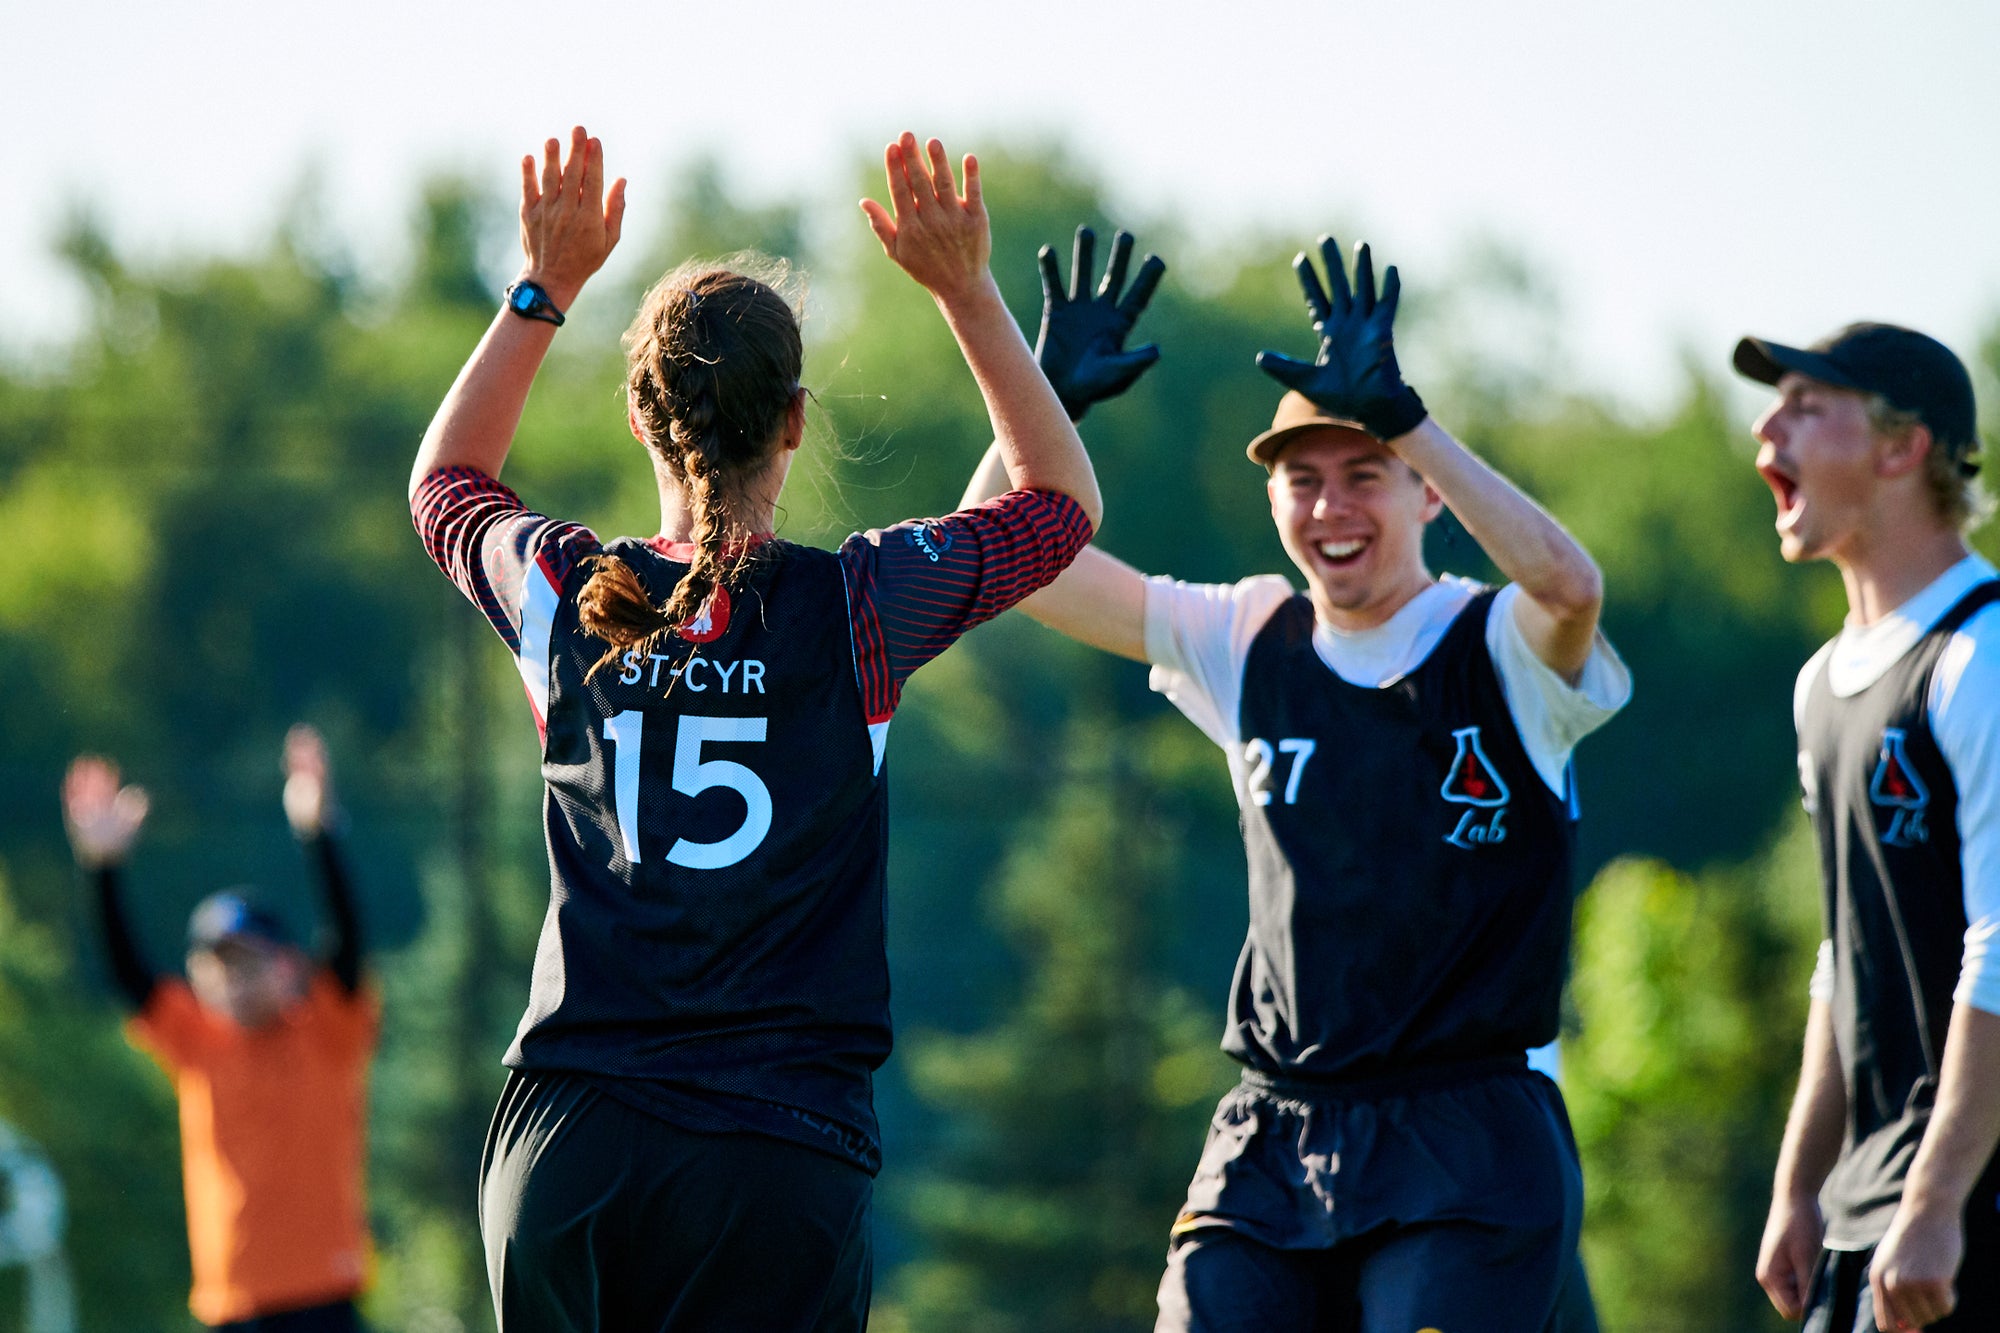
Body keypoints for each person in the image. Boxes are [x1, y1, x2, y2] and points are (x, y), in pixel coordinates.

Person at [408, 126, 1099, 1332]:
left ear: (639, 418)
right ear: (793, 422)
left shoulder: (568, 591)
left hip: (570, 1136)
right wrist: (966, 292)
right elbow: (1059, 506)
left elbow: (445, 484)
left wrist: (542, 285)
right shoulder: (858, 604)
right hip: (775, 1148)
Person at [962, 233, 1630, 1332]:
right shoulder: (1248, 633)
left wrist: (1406, 417)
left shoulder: (1496, 642)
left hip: (1466, 1135)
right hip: (1273, 1134)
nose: (1330, 509)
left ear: (1425, 493)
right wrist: (1041, 407)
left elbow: (1570, 587)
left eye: (1364, 475)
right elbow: (1007, 565)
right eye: (1302, 482)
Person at [1742, 323, 1999, 1333]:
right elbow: (1843, 952)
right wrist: (1799, 1181)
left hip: (1964, 1209)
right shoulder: (1820, 685)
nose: (1766, 429)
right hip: (1871, 1210)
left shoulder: (1981, 658)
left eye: (1807, 407)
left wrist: (1936, 1200)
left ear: (1903, 448)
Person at [59, 727, 376, 1333]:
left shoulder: (326, 1032)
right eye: (216, 966)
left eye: (248, 963)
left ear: (288, 966)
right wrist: (101, 868)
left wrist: (318, 835)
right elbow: (129, 974)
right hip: (231, 1305)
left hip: (325, 1299)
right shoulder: (199, 1042)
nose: (233, 980)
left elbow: (348, 945)